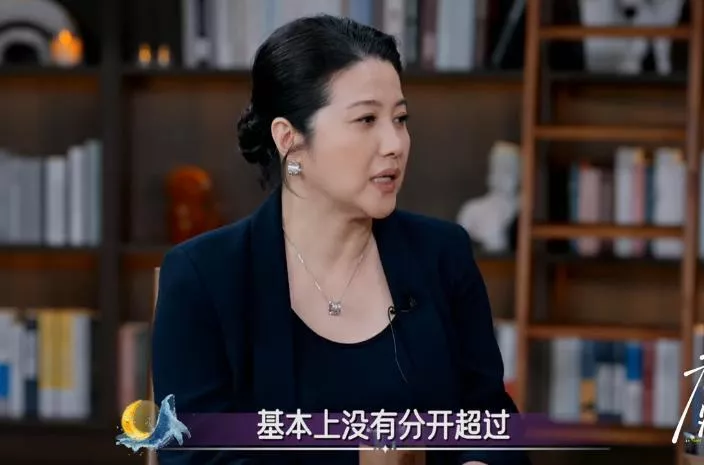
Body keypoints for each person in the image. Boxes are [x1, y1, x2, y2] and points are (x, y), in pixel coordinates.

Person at [151, 14, 530, 465]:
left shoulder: (442, 255)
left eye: (400, 119)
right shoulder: (205, 277)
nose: (395, 143)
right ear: (289, 139)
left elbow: (492, 424)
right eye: (366, 119)